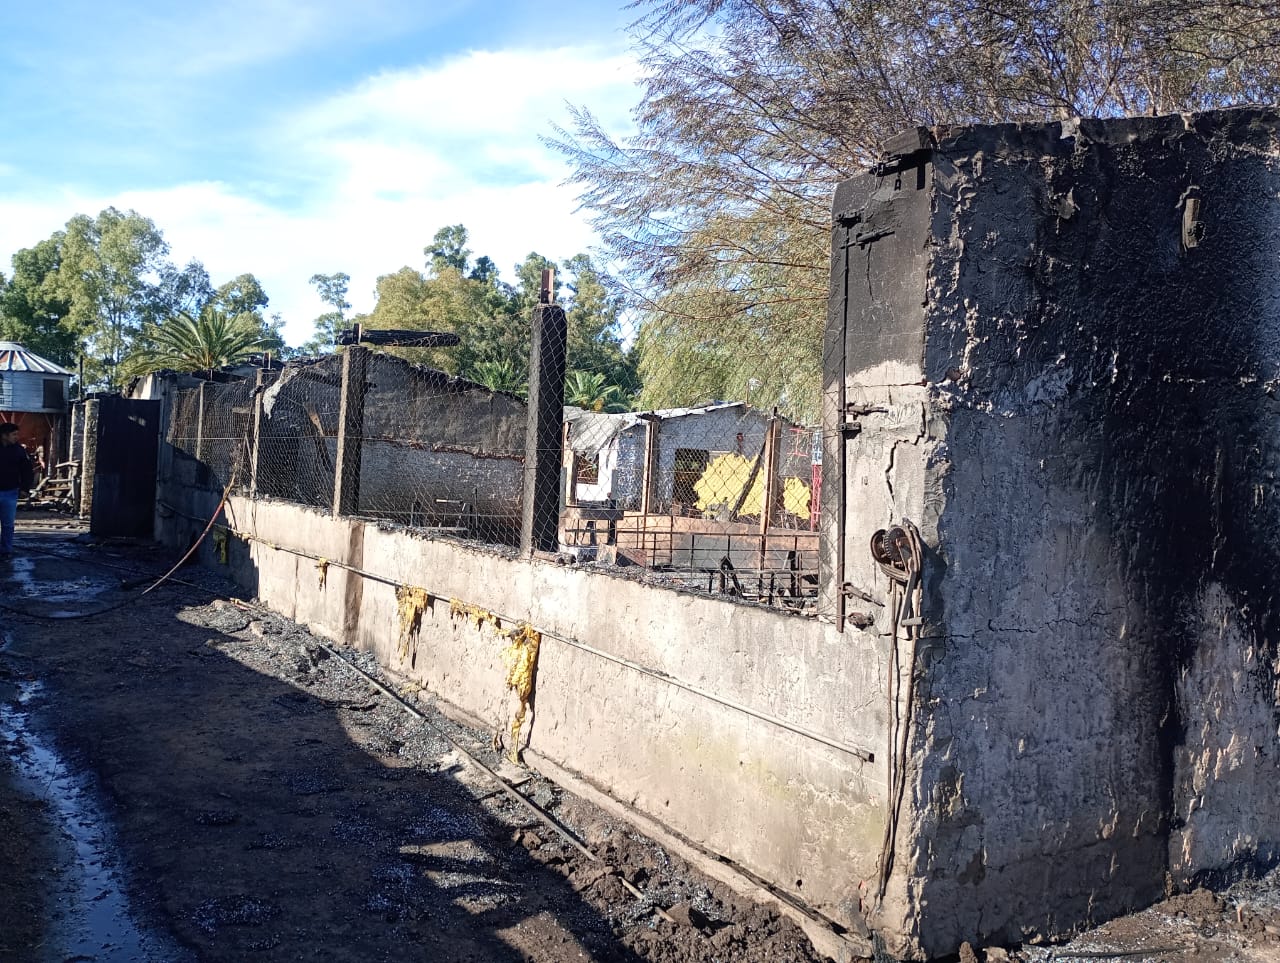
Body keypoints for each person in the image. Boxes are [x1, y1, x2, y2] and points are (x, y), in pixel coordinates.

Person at [0, 423, 33, 557]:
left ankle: (6, 550)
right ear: (4, 435)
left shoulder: (19, 450)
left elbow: (27, 470)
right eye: (14, 434)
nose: (17, 437)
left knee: (8, 524)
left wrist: (25, 488)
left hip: (10, 492)